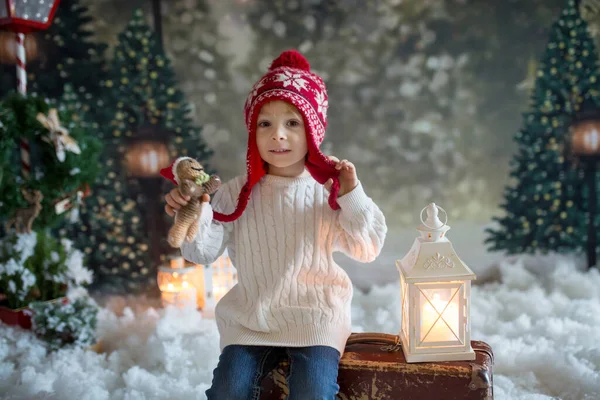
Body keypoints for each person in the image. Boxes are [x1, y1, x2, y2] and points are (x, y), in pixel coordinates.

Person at [163, 49, 387, 400]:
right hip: (252, 319)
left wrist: (352, 194)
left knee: (312, 391)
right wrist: (195, 210)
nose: (277, 135)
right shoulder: (236, 192)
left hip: (315, 317)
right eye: (265, 123)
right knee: (227, 391)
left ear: (313, 129)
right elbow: (200, 251)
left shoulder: (327, 192)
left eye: (292, 123)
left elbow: (368, 247)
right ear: (252, 131)